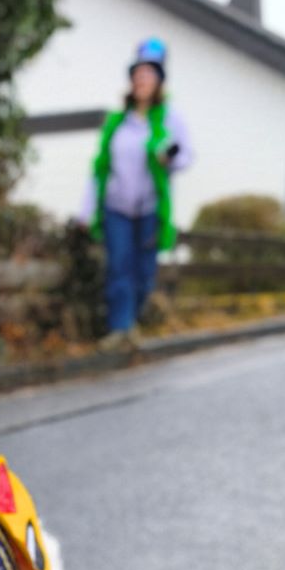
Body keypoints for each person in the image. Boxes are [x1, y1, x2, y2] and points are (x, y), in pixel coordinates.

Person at [80, 38, 194, 346]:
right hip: (116, 207)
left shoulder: (170, 120)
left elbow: (186, 157)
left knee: (143, 272)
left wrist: (168, 159)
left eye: (149, 75)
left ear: (159, 82)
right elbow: (99, 169)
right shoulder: (117, 123)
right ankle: (121, 329)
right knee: (119, 266)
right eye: (138, 74)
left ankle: (132, 319)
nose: (142, 80)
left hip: (149, 210)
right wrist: (86, 211)